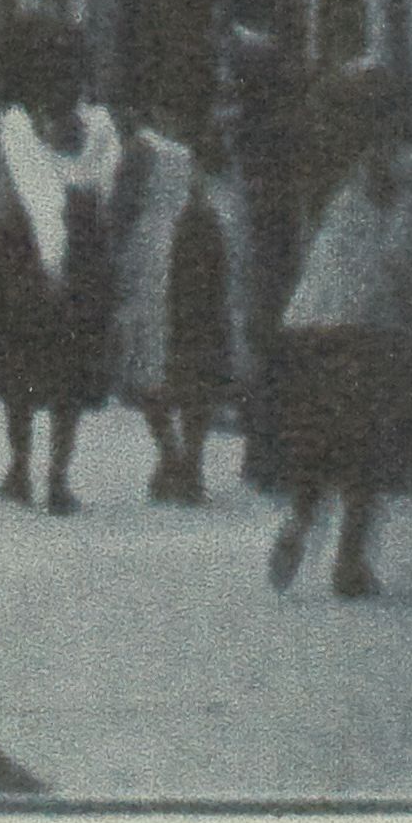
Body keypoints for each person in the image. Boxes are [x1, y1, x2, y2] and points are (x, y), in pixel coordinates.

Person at [265, 60, 412, 599]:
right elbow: (399, 253)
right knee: (365, 447)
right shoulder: (400, 172)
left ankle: (299, 519)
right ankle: (350, 563)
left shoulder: (328, 172)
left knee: (318, 440)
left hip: (309, 318)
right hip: (367, 323)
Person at [0, 3, 129, 513]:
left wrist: (52, 266)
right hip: (86, 251)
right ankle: (58, 478)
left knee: (19, 365)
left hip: (29, 254)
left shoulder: (19, 125)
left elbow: (40, 199)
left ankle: (21, 469)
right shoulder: (103, 125)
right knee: (71, 371)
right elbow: (109, 195)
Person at [108, 83, 257, 506]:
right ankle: (189, 458)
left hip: (160, 258)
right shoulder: (210, 146)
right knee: (196, 363)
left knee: (154, 362)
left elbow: (121, 209)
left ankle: (174, 455)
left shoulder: (143, 149)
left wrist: (117, 260)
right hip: (204, 255)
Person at [215, 6, 312, 497]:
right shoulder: (268, 133)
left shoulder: (261, 140)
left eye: (233, 87)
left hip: (265, 252)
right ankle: (268, 451)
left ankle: (269, 452)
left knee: (264, 343)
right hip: (264, 251)